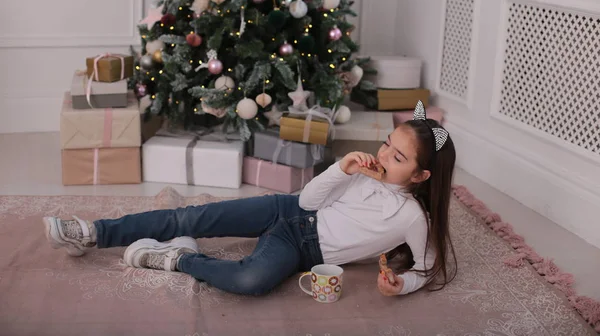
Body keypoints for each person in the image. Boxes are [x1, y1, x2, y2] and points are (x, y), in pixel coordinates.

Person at [43, 101, 457, 297]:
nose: (384, 156)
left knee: (251, 281)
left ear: (421, 176)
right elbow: (308, 202)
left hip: (301, 247)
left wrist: (400, 285)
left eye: (398, 157)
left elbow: (426, 267)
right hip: (289, 209)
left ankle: (177, 259)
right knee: (195, 217)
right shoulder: (360, 170)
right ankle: (93, 232)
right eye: (387, 144)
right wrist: (340, 167)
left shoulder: (411, 219)